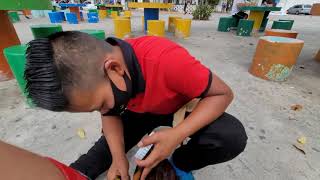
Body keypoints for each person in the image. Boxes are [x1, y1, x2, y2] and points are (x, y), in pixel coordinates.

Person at [24, 32, 247, 180]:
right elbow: (109, 112)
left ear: (115, 69)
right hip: (136, 112)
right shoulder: (104, 82)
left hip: (179, 108)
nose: (102, 111)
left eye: (100, 104)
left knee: (229, 137)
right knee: (102, 156)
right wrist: (119, 157)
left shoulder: (166, 60)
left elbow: (223, 93)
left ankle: (179, 163)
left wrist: (176, 136)